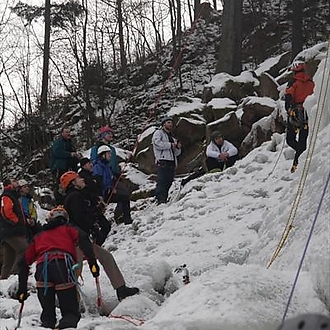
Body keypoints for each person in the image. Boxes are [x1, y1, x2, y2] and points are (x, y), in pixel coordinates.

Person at [16, 206, 100, 329]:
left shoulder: (39, 236)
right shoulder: (69, 229)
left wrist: (22, 289)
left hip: (42, 270)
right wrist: (93, 263)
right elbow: (83, 239)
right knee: (70, 313)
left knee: (48, 316)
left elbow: (23, 263)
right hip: (62, 267)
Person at [60, 171, 139, 301]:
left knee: (105, 257)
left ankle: (121, 288)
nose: (82, 180)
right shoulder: (74, 197)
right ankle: (70, 300)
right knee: (76, 269)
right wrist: (94, 225)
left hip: (81, 239)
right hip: (76, 241)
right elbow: (80, 218)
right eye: (78, 178)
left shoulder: (77, 195)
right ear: (73, 183)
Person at [90, 125, 132, 224]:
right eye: (107, 133)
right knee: (121, 195)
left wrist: (117, 171)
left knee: (124, 193)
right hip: (104, 177)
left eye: (111, 133)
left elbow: (113, 162)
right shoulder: (96, 149)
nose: (110, 135)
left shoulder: (111, 149)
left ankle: (120, 214)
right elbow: (94, 162)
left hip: (112, 175)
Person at [285, 61, 314, 173]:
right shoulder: (311, 82)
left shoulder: (293, 82)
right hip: (308, 112)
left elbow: (288, 96)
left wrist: (288, 109)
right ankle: (299, 159)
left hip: (296, 113)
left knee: (290, 139)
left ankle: (299, 160)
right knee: (303, 139)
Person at [0, 178, 28, 279]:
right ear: (9, 184)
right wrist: (16, 222)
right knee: (24, 249)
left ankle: (3, 281)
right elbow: (6, 212)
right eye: (14, 181)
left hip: (8, 231)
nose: (17, 182)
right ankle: (14, 275)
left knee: (9, 259)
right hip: (11, 231)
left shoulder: (13, 195)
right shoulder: (7, 195)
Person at [152, 116, 182, 204]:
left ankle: (164, 199)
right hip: (162, 160)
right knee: (162, 180)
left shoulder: (172, 137)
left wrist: (178, 147)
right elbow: (157, 143)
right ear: (163, 123)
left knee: (169, 181)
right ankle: (160, 199)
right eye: (168, 122)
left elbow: (176, 153)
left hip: (172, 161)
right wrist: (170, 145)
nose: (170, 124)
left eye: (171, 123)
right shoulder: (158, 133)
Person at [50, 127, 81, 204]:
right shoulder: (59, 142)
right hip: (60, 167)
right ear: (62, 133)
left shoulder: (70, 143)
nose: (68, 133)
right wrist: (70, 154)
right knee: (60, 185)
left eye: (69, 132)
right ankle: (59, 202)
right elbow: (56, 152)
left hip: (70, 167)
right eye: (66, 132)